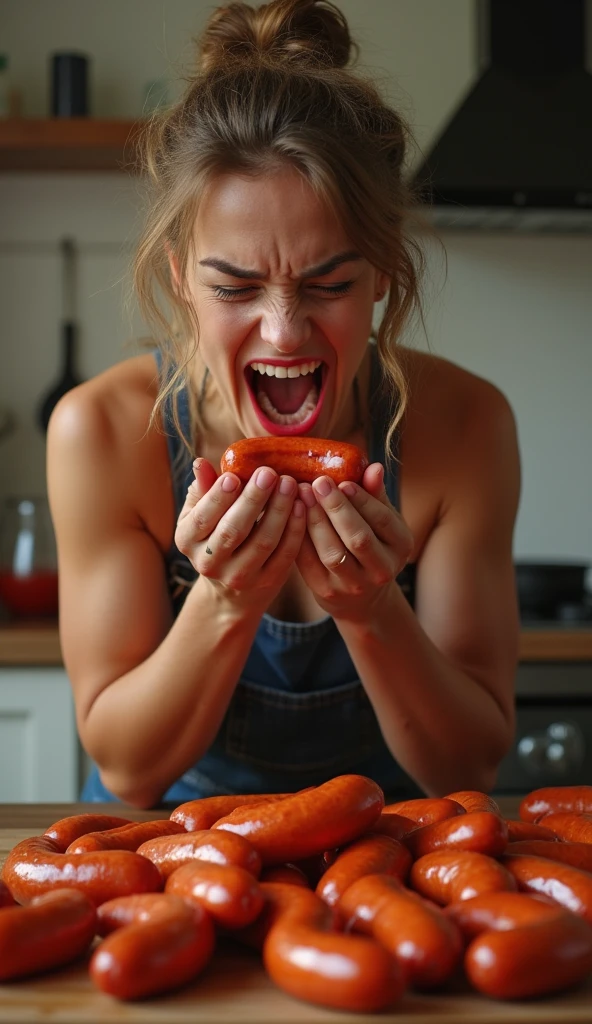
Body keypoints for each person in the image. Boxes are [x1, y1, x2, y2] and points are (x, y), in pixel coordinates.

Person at [47, 0, 520, 810]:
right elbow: (128, 770)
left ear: (379, 274)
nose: (284, 329)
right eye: (234, 287)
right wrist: (226, 598)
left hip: (389, 856)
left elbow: (467, 770)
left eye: (329, 284)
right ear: (179, 282)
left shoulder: (466, 425)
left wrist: (374, 611)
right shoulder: (101, 433)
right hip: (175, 860)